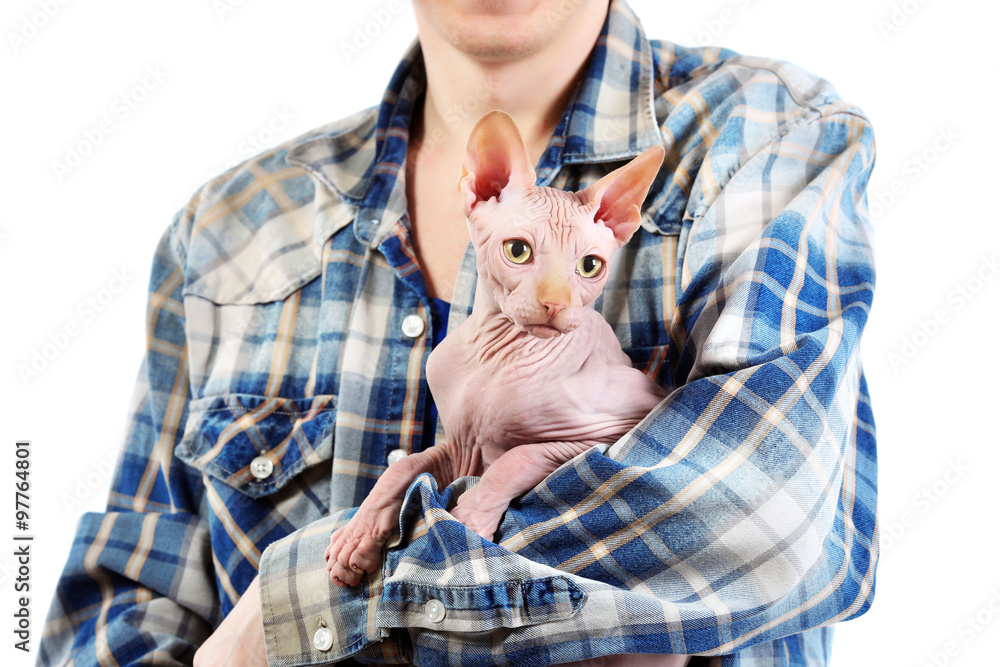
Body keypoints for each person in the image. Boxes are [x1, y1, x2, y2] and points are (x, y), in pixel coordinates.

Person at [38, 0, 878, 665]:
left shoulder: (766, 139)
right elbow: (117, 605)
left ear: (616, 227)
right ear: (484, 192)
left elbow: (755, 517)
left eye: (586, 267)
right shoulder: (229, 230)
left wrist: (287, 619)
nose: (558, 292)